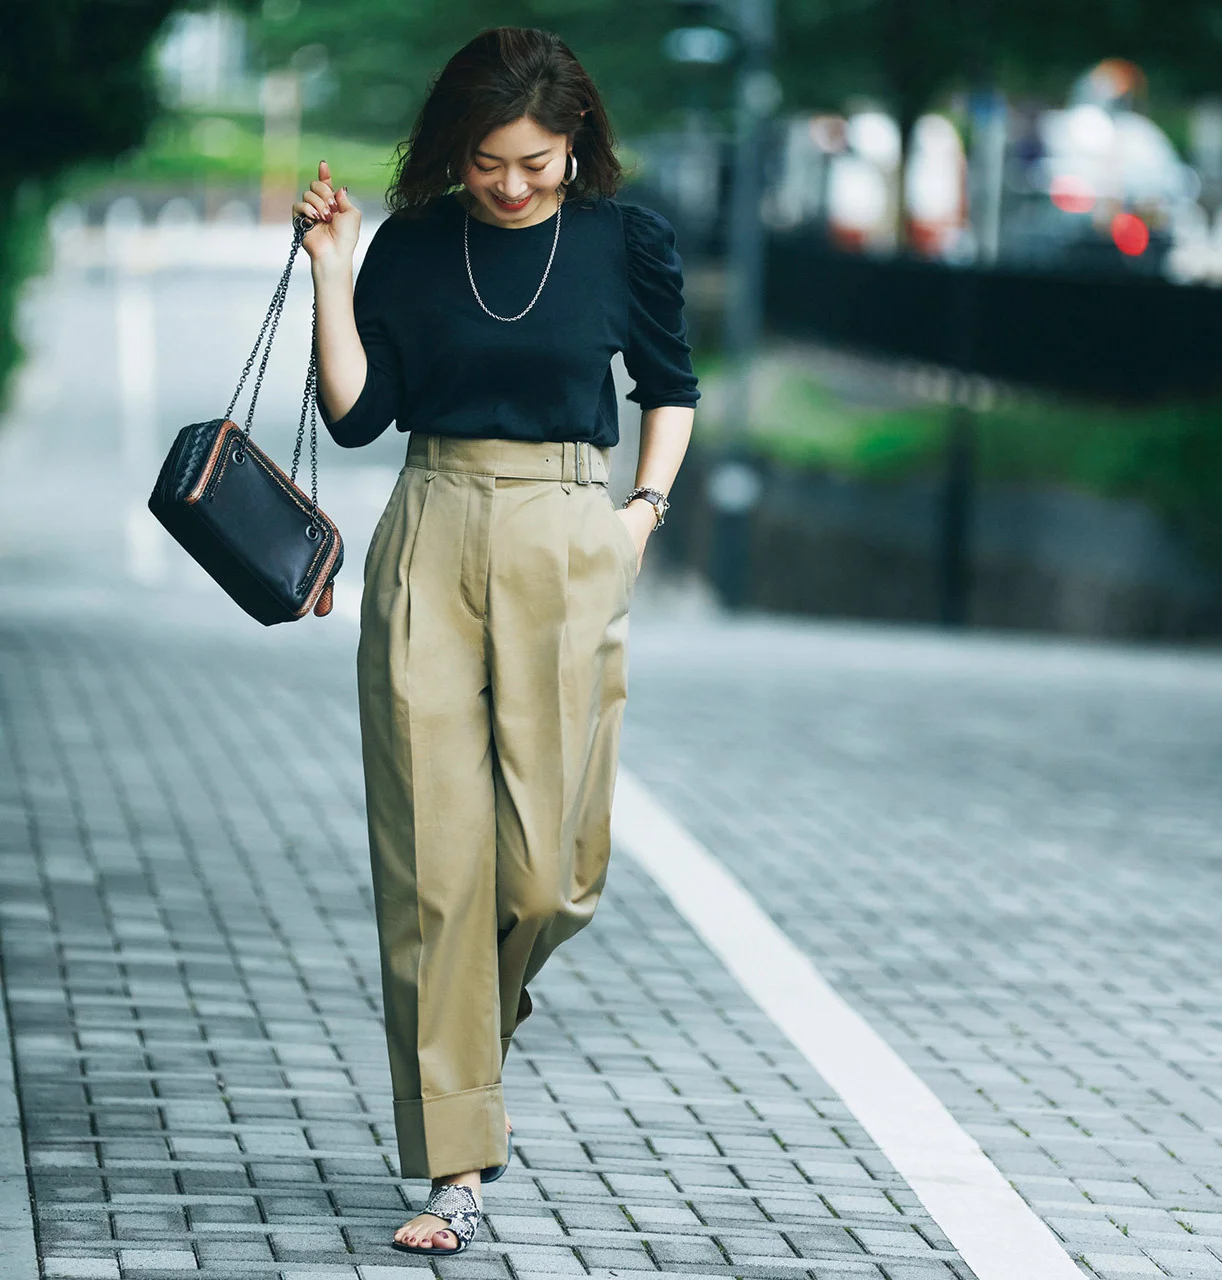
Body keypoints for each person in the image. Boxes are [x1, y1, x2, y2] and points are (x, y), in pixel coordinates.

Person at [292, 25, 698, 1258]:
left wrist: (641, 514)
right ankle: (454, 1165)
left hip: (571, 533)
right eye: (485, 165)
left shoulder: (624, 241)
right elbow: (357, 413)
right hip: (430, 523)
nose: (510, 185)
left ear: (574, 139)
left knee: (545, 878)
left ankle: (468, 1022)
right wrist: (329, 267)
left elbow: (668, 385)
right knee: (434, 869)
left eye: (531, 161)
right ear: (452, 156)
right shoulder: (415, 247)